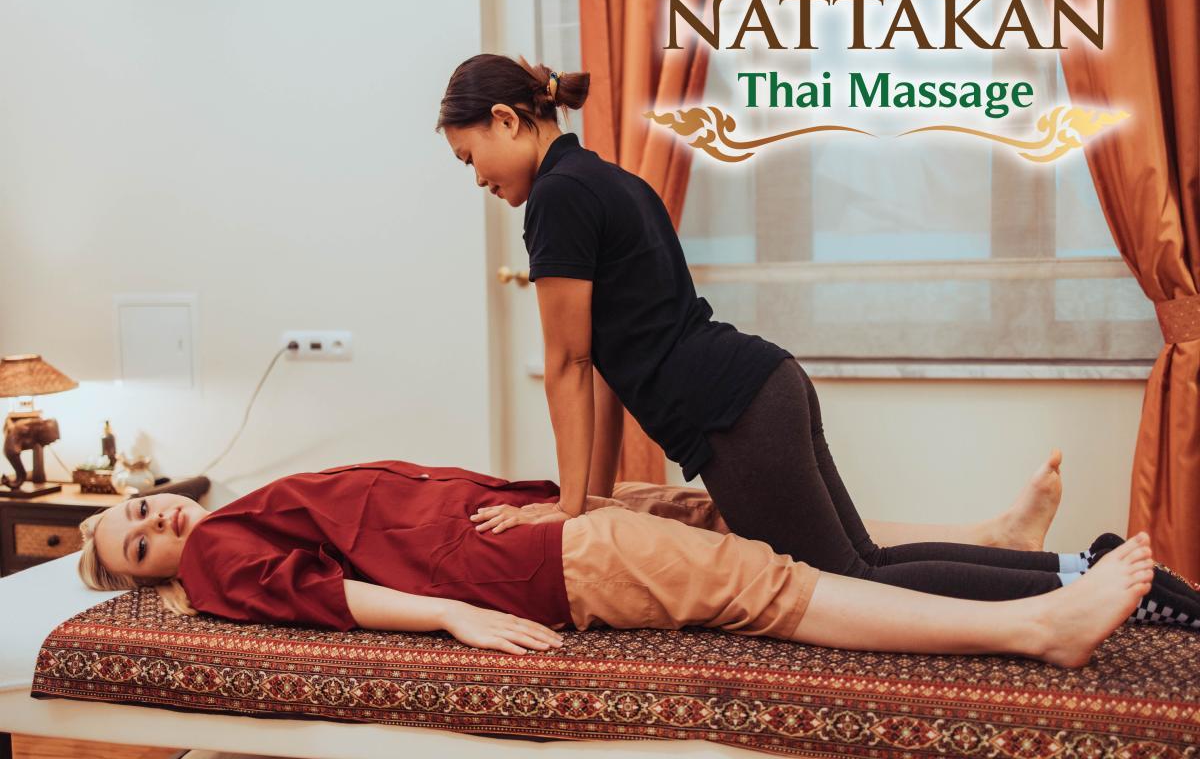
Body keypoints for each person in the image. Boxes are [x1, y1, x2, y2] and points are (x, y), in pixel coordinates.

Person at [434, 54, 1116, 605]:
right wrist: (589, 497)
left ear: (506, 119)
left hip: (733, 411)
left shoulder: (557, 198)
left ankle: (1080, 583)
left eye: (470, 159)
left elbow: (570, 363)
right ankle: (1050, 562)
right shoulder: (609, 180)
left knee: (852, 581)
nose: (475, 181)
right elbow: (606, 367)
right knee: (863, 561)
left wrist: (568, 506)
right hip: (761, 383)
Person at [77, 459, 1199, 669]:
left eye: (137, 508)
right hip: (541, 564)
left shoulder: (241, 505)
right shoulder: (221, 554)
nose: (149, 521)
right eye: (135, 543)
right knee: (776, 585)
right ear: (144, 575)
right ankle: (1029, 622)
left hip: (541, 522)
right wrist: (450, 620)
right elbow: (328, 597)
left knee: (795, 536)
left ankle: (998, 550)